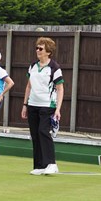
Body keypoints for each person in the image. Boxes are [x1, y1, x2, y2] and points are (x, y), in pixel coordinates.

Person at [21, 37, 64, 175]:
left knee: (43, 132)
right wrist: (25, 105)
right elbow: (28, 86)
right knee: (35, 134)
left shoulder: (54, 68)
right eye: (37, 48)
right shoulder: (33, 66)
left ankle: (51, 163)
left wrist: (58, 108)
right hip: (33, 104)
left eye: (41, 49)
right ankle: (39, 165)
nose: (37, 51)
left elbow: (60, 89)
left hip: (47, 105)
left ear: (48, 52)